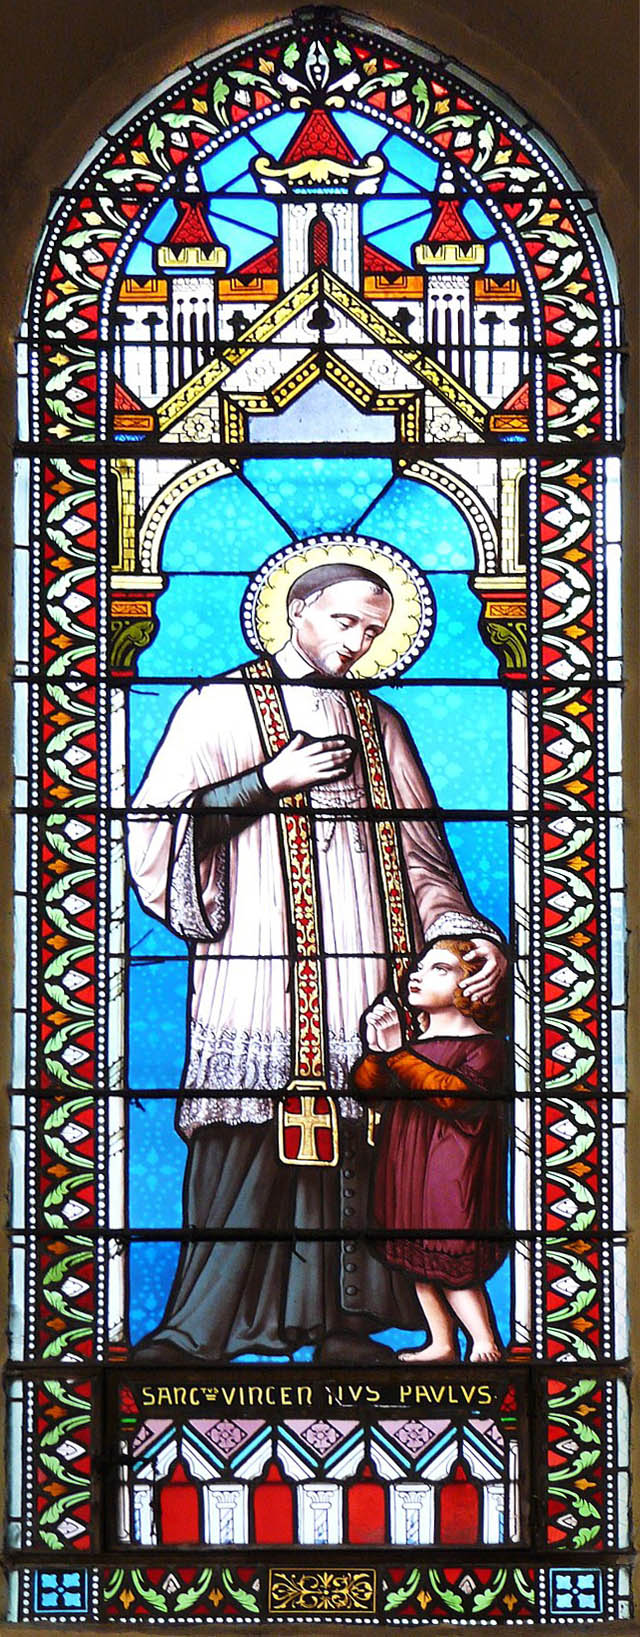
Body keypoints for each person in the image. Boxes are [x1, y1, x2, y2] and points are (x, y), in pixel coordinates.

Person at [127, 558, 507, 1364]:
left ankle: (342, 1325)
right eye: (345, 621)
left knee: (359, 1141)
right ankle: (199, 1329)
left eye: (373, 629)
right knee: (244, 1138)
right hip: (256, 970)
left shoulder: (381, 726)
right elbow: (158, 831)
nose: (358, 641)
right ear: (295, 610)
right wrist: (265, 782)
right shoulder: (215, 706)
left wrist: (468, 939)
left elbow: (424, 858)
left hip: (361, 973)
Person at [353, 939, 507, 1363]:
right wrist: (377, 1053)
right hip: (406, 1164)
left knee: (451, 1252)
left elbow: (454, 1097)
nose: (417, 975)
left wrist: (397, 1053)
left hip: (454, 1169)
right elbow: (369, 1092)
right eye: (419, 966)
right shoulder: (411, 1047)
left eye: (439, 969)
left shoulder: (486, 1047)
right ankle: (442, 1342)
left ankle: (484, 1341)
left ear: (473, 986)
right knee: (417, 1257)